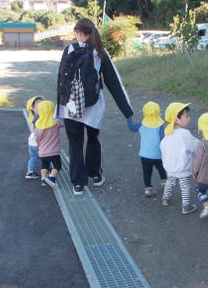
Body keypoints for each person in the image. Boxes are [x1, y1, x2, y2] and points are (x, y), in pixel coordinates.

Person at [56, 18, 134, 196]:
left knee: (75, 143)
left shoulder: (68, 49)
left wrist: (58, 111)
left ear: (81, 32)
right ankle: (96, 175)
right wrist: (127, 112)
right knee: (93, 140)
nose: (77, 35)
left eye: (78, 32)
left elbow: (61, 81)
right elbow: (114, 83)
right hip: (93, 106)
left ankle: (78, 183)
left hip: (70, 107)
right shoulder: (100, 52)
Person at [160, 102, 198, 214]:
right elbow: (196, 146)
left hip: (170, 167)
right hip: (183, 168)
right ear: (177, 119)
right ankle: (186, 206)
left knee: (170, 182)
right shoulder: (185, 134)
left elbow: (163, 148)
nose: (189, 119)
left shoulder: (168, 134)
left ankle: (165, 198)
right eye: (186, 116)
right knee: (185, 186)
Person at [127, 101, 167, 197]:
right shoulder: (160, 127)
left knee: (147, 172)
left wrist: (129, 118)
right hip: (158, 155)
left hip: (145, 155)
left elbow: (131, 127)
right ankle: (164, 182)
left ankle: (148, 189)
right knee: (161, 168)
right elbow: (163, 140)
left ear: (144, 113)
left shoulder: (140, 125)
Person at [33, 100, 62, 188]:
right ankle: (51, 177)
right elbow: (63, 124)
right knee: (57, 165)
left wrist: (39, 145)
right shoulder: (55, 123)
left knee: (44, 165)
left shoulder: (38, 125)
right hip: (54, 151)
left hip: (42, 152)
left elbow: (36, 138)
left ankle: (43, 179)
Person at [25, 96, 44, 179]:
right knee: (45, 155)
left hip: (32, 142)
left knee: (33, 157)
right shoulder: (39, 117)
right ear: (32, 108)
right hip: (38, 142)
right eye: (39, 104)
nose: (41, 105)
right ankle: (50, 168)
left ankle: (30, 172)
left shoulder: (33, 117)